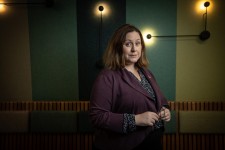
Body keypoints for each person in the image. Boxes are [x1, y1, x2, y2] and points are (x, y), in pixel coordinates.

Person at [89, 24, 171, 150]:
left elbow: (159, 101)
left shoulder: (146, 72)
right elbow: (97, 117)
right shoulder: (107, 76)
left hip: (152, 141)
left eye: (138, 44)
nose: (134, 49)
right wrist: (135, 120)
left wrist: (165, 110)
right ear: (117, 47)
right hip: (124, 145)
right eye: (128, 44)